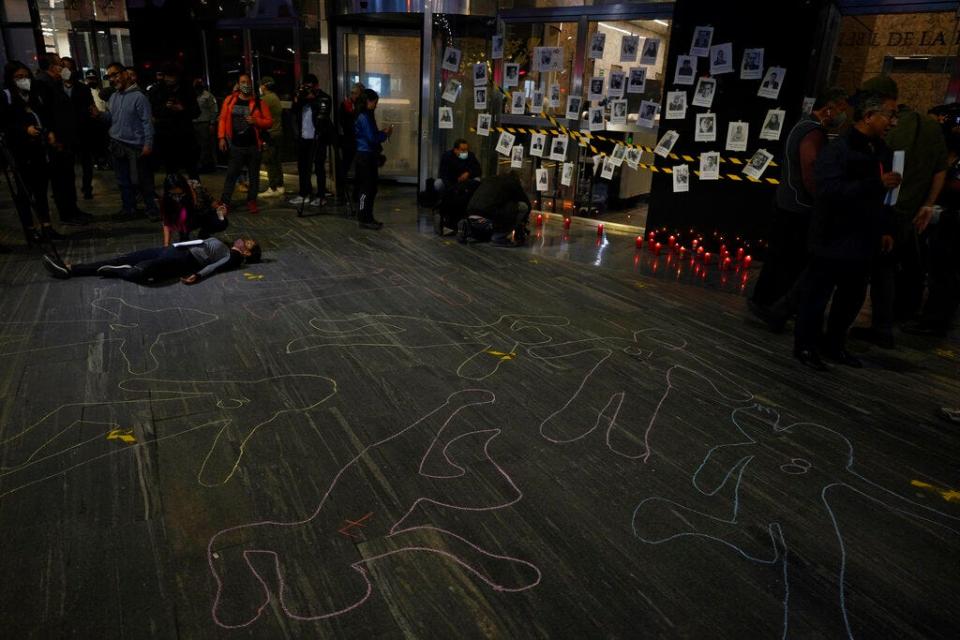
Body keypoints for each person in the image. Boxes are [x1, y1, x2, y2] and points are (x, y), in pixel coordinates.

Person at [791, 92, 902, 371]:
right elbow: (828, 192)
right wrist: (875, 185)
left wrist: (886, 227)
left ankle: (834, 343)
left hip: (863, 238)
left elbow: (886, 197)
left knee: (851, 297)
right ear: (868, 116)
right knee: (817, 295)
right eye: (889, 114)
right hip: (833, 235)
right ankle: (805, 345)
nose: (893, 121)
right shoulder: (838, 149)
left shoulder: (883, 151)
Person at [851, 76, 948, 349]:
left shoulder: (883, 129)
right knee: (886, 270)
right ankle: (883, 327)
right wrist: (928, 203)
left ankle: (790, 309)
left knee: (856, 266)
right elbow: (940, 169)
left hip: (883, 210)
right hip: (909, 212)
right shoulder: (930, 127)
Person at [750, 87, 848, 322]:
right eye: (842, 110)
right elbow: (810, 172)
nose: (844, 116)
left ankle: (766, 302)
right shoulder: (812, 132)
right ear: (829, 108)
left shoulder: (801, 126)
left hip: (788, 204)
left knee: (780, 258)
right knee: (788, 261)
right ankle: (772, 305)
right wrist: (821, 201)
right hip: (798, 208)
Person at [901, 126, 960, 338]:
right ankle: (932, 317)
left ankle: (935, 321)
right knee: (940, 273)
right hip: (943, 224)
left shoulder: (953, 163)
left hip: (951, 225)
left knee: (945, 276)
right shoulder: (948, 161)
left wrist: (942, 213)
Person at [2, 61, 63, 242]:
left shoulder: (35, 94)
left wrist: (49, 131)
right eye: (18, 77)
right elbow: (6, 124)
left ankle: (47, 227)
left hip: (39, 150)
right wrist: (24, 129)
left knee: (41, 191)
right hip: (20, 152)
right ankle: (30, 230)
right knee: (24, 194)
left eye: (25, 76)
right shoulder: (6, 97)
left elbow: (45, 115)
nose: (23, 80)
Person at [92, 61, 159, 220]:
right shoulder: (114, 97)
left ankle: (152, 210)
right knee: (123, 181)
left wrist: (148, 144)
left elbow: (147, 123)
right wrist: (100, 115)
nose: (113, 79)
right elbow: (111, 117)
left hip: (136, 147)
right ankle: (129, 209)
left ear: (125, 74)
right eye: (110, 76)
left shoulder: (139, 97)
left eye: (115, 74)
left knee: (143, 181)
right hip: (117, 144)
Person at [42, 236, 261, 285]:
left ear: (247, 254)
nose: (244, 240)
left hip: (185, 260)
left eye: (248, 244)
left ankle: (117, 271)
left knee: (143, 271)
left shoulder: (232, 256)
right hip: (173, 250)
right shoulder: (223, 244)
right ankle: (71, 269)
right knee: (127, 260)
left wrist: (200, 275)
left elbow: (216, 265)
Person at [35, 53, 91, 226]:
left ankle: (73, 209)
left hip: (66, 138)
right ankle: (67, 213)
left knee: (68, 176)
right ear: (52, 66)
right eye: (60, 64)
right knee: (61, 179)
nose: (63, 68)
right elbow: (47, 114)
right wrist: (53, 136)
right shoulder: (43, 84)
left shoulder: (55, 84)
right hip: (57, 141)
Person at [217, 72, 273, 214]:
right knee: (231, 175)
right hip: (236, 146)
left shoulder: (260, 103)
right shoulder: (230, 100)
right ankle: (225, 203)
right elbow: (223, 119)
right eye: (243, 82)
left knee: (254, 176)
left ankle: (252, 201)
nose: (246, 85)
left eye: (248, 82)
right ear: (238, 84)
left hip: (254, 146)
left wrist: (256, 121)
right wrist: (221, 137)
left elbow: (269, 122)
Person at [290, 73, 334, 208]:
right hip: (303, 137)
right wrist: (299, 99)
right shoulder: (302, 97)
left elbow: (324, 112)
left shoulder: (324, 97)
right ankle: (304, 193)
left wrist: (312, 99)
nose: (307, 90)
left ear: (316, 86)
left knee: (319, 167)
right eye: (305, 87)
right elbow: (294, 111)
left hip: (318, 137)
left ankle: (321, 196)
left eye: (309, 87)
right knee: (303, 167)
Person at [150, 64, 201, 179]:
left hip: (185, 135)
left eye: (172, 76)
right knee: (171, 170)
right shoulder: (157, 90)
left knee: (191, 167)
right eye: (166, 76)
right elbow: (154, 112)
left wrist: (183, 109)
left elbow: (196, 112)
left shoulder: (187, 89)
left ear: (178, 77)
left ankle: (196, 192)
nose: (168, 79)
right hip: (167, 136)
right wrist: (166, 107)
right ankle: (173, 193)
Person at [458, 172, 531, 247]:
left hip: (471, 214)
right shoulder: (513, 182)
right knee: (523, 207)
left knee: (484, 235)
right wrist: (522, 223)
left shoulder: (489, 179)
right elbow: (527, 204)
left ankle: (469, 228)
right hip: (488, 219)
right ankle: (499, 237)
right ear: (518, 179)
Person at [354, 88, 393, 230]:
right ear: (368, 101)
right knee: (367, 188)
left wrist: (382, 133)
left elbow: (372, 135)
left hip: (367, 154)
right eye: (374, 103)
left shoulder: (366, 115)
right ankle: (364, 218)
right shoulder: (364, 116)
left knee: (371, 188)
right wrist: (385, 134)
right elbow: (372, 138)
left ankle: (368, 217)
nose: (375, 105)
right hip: (365, 155)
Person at [60, 57, 97, 202]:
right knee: (67, 164)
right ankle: (68, 191)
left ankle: (87, 188)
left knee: (86, 162)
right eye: (62, 67)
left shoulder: (82, 88)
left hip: (83, 131)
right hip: (66, 132)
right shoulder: (55, 88)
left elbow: (90, 106)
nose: (65, 71)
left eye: (68, 68)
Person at [159, 173, 228, 246]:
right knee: (181, 217)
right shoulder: (167, 197)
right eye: (173, 194)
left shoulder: (196, 189)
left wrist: (221, 209)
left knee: (221, 222)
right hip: (183, 220)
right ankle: (184, 235)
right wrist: (166, 245)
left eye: (180, 194)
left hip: (200, 216)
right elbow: (166, 222)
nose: (177, 197)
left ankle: (204, 233)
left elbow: (213, 203)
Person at [258, 76, 284, 196]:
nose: (260, 87)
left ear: (264, 86)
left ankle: (272, 187)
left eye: (261, 85)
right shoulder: (275, 97)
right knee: (277, 161)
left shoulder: (266, 99)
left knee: (269, 161)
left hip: (270, 134)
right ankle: (280, 186)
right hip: (278, 133)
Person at [193, 78, 218, 173]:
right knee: (197, 146)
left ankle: (206, 166)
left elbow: (214, 110)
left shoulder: (208, 96)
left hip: (204, 123)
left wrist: (212, 123)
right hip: (194, 124)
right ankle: (199, 164)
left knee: (206, 146)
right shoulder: (192, 96)